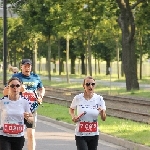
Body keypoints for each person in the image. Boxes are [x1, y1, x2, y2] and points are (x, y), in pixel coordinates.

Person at [3, 59, 45, 150]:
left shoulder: (36, 77)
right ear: (21, 66)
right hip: (17, 110)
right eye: (25, 66)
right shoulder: (16, 77)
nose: (27, 68)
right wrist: (18, 89)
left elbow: (42, 88)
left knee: (31, 134)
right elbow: (5, 92)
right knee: (13, 134)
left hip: (31, 110)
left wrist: (41, 96)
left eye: (29, 66)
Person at [69, 76, 106, 150]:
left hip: (94, 134)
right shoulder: (78, 98)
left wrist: (102, 111)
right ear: (84, 86)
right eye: (88, 84)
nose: (90, 86)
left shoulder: (99, 99)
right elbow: (71, 109)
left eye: (93, 84)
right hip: (80, 134)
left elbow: (103, 118)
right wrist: (73, 116)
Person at [0, 77, 33, 150]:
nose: (15, 88)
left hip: (18, 137)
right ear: (8, 87)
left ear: (20, 87)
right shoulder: (2, 102)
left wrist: (28, 117)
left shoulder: (25, 102)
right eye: (12, 86)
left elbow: (31, 120)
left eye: (17, 86)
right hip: (4, 136)